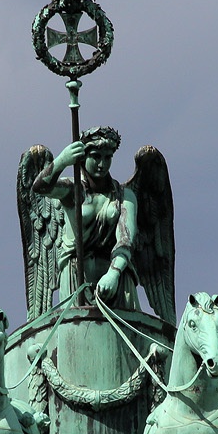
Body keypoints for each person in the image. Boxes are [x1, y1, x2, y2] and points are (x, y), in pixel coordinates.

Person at [32, 127, 139, 307]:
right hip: (76, 272)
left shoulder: (124, 196)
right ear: (84, 157)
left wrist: (113, 273)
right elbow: (40, 187)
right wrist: (61, 161)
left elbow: (125, 241)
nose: (102, 164)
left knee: (127, 329)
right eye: (96, 156)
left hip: (117, 275)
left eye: (107, 157)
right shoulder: (71, 189)